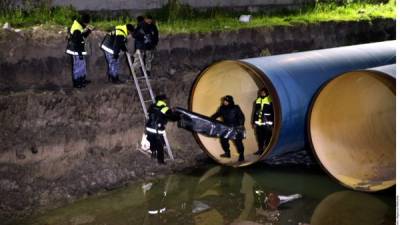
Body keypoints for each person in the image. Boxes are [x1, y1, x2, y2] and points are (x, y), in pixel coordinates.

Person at [145, 95, 179, 164]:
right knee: (160, 146)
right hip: (157, 130)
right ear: (164, 101)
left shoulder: (152, 106)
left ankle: (153, 153)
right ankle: (161, 161)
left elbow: (149, 113)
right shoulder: (165, 108)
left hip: (149, 128)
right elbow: (172, 118)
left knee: (152, 141)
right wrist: (179, 116)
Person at [211, 95, 245, 162]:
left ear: (230, 101)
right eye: (224, 101)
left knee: (238, 142)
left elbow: (241, 117)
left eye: (226, 101)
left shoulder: (236, 108)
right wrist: (211, 118)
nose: (225, 102)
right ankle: (227, 153)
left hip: (235, 127)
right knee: (223, 141)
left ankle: (241, 155)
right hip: (225, 127)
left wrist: (240, 125)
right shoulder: (222, 108)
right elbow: (217, 114)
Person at [65, 14, 93, 88]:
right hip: (76, 50)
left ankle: (82, 79)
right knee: (78, 66)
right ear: (85, 22)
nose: (87, 25)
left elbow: (81, 36)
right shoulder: (77, 28)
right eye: (87, 23)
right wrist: (80, 53)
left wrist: (88, 31)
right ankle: (77, 83)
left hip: (78, 50)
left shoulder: (79, 26)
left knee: (82, 65)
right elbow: (76, 41)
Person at [252, 88, 274, 155]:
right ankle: (260, 150)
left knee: (268, 137)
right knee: (259, 138)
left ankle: (267, 150)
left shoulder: (270, 100)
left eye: (263, 92)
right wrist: (254, 122)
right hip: (259, 123)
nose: (262, 94)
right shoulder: (257, 100)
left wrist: (273, 122)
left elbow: (273, 112)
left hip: (267, 123)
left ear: (266, 93)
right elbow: (255, 112)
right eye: (261, 92)